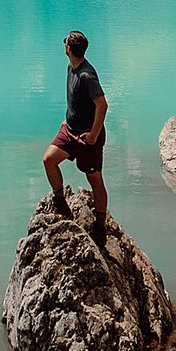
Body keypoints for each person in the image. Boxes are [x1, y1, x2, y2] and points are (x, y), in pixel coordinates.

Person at [43, 29, 108, 230]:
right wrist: (67, 119)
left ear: (68, 49)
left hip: (88, 136)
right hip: (70, 130)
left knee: (94, 179)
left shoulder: (87, 75)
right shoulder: (71, 68)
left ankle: (100, 224)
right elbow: (76, 100)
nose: (64, 46)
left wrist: (94, 135)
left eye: (65, 44)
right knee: (49, 160)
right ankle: (60, 201)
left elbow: (102, 105)